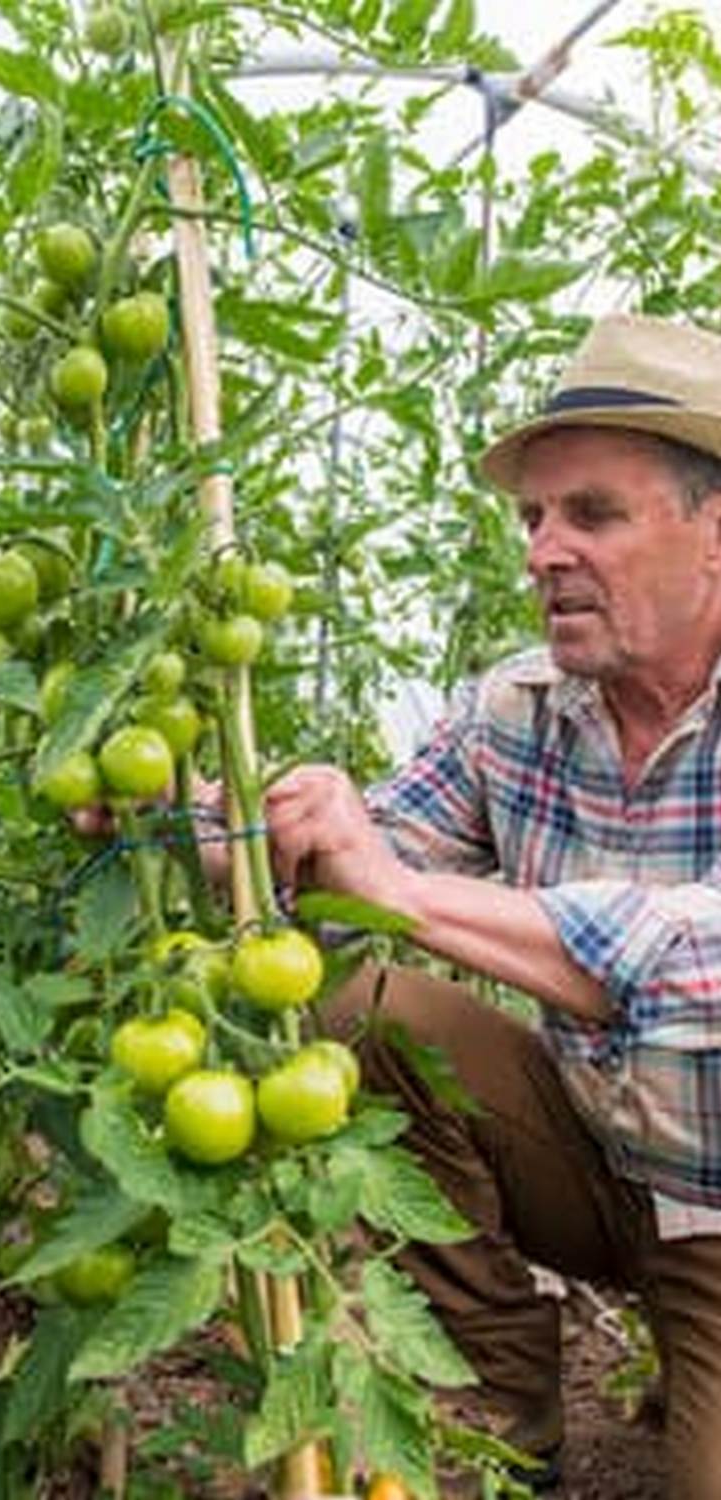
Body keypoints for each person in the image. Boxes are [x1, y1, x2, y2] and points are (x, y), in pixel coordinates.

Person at [263, 314, 721, 1500]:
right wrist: (209, 819)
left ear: (713, 529)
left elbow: (692, 966)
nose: (541, 553)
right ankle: (500, 1401)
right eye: (532, 519)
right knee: (365, 1007)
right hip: (597, 1150)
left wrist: (402, 890)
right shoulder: (513, 710)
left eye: (593, 515)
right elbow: (357, 854)